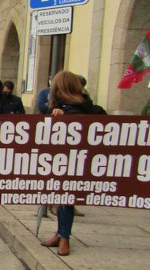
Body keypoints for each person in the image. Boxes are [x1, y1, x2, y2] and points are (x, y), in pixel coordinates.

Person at [40, 71, 105, 256]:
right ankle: (60, 233)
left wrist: (65, 118)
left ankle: (65, 238)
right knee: (62, 199)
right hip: (67, 160)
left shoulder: (75, 107)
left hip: (71, 161)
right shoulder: (82, 104)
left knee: (65, 198)